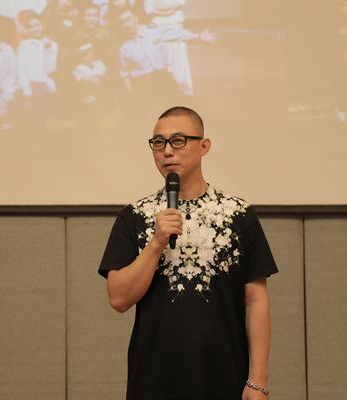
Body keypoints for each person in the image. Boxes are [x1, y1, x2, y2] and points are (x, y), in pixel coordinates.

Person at [98, 106, 278, 400]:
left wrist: (258, 380)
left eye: (178, 141)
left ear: (204, 146)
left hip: (225, 378)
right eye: (158, 143)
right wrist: (156, 243)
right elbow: (118, 299)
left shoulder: (238, 214)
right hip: (154, 382)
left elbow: (255, 300)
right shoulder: (134, 216)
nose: (167, 151)